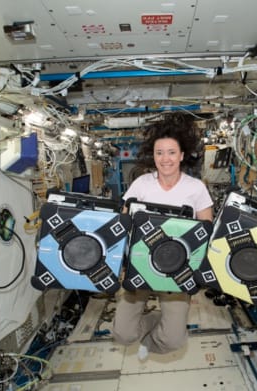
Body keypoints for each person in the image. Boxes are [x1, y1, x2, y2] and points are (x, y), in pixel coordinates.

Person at [112, 113, 213, 361]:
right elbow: (123, 225)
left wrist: (197, 271)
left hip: (177, 268)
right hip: (140, 265)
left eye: (170, 152)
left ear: (181, 155)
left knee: (173, 340)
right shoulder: (141, 185)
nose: (165, 159)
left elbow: (206, 231)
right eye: (159, 153)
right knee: (123, 335)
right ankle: (154, 317)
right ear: (152, 156)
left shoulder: (196, 188)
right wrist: (120, 264)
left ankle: (153, 337)